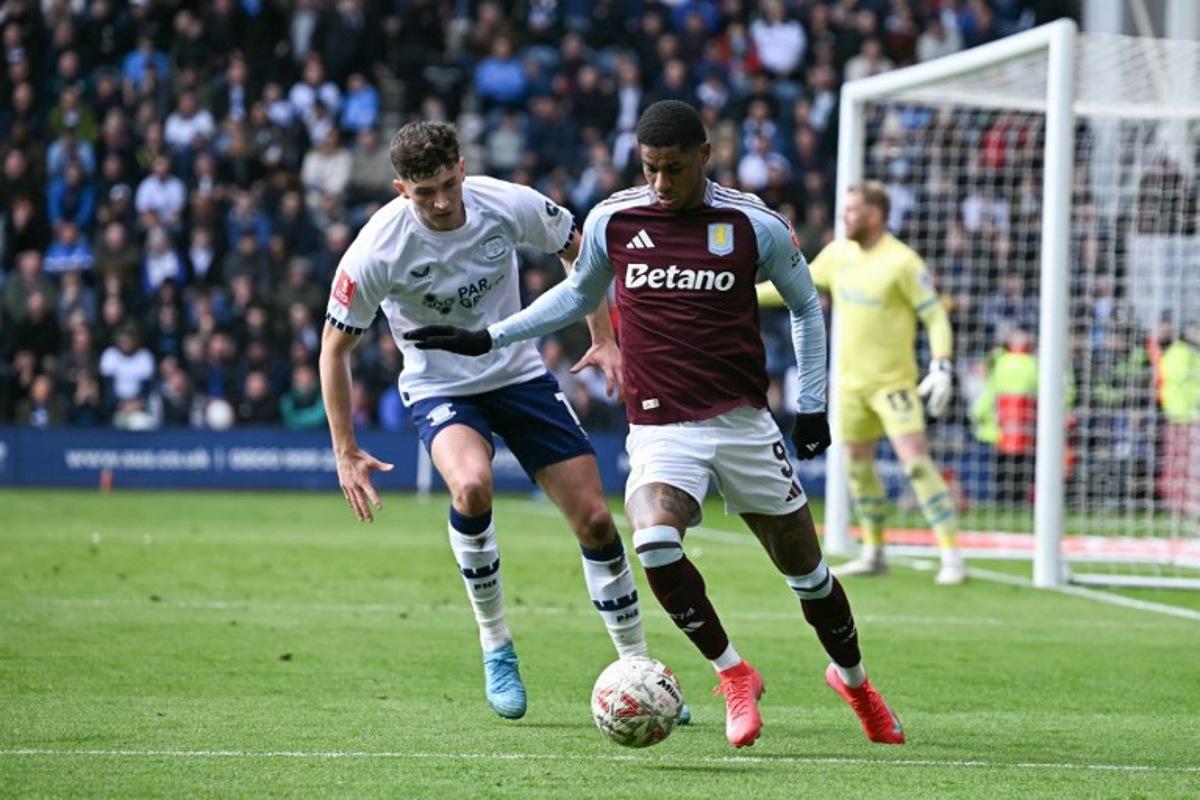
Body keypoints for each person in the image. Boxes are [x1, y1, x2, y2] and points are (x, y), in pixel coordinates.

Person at [406, 101, 904, 749]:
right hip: (662, 427)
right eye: (650, 170)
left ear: (704, 155)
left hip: (743, 423)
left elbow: (807, 308)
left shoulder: (754, 225)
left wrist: (811, 404)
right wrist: (489, 338)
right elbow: (580, 296)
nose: (662, 185)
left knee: (807, 573)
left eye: (674, 169)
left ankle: (854, 681)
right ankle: (732, 673)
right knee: (653, 543)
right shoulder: (617, 217)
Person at [319, 120, 684, 724]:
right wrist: (345, 450)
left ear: (461, 167)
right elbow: (335, 348)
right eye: (421, 193)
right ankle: (496, 646)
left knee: (595, 520)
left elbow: (581, 249)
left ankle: (639, 669)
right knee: (471, 486)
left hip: (520, 376)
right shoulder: (376, 249)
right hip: (440, 386)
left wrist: (603, 337)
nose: (438, 202)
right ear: (398, 189)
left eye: (445, 184)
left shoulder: (506, 203)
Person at [789, 181, 966, 585]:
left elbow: (936, 316)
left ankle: (951, 555)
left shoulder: (902, 262)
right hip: (850, 387)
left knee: (917, 464)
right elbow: (792, 287)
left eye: (851, 210)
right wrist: (735, 293)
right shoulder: (838, 255)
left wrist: (940, 365)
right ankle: (874, 550)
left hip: (894, 385)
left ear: (874, 215)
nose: (844, 218)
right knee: (857, 469)